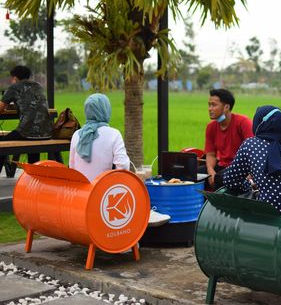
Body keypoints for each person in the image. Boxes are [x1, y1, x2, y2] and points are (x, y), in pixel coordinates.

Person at [69, 93, 169, 226]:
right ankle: (137, 228)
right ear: (105, 110)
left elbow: (72, 166)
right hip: (104, 197)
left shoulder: (77, 135)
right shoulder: (112, 134)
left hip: (80, 196)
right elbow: (123, 167)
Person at [223, 105, 281, 213]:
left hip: (269, 212)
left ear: (258, 124)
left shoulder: (250, 144)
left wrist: (251, 185)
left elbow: (230, 180)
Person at [0, 65, 53, 166]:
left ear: (15, 78)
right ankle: (33, 173)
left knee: (2, 144)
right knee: (33, 138)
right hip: (47, 132)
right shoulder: (38, 86)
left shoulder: (14, 87)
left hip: (27, 133)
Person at [202, 89, 254, 190]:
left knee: (219, 178)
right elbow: (211, 154)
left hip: (240, 167)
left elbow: (253, 151)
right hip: (221, 166)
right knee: (194, 174)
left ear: (226, 107)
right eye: (209, 105)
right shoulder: (211, 127)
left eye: (214, 105)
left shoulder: (243, 122)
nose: (210, 108)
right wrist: (210, 171)